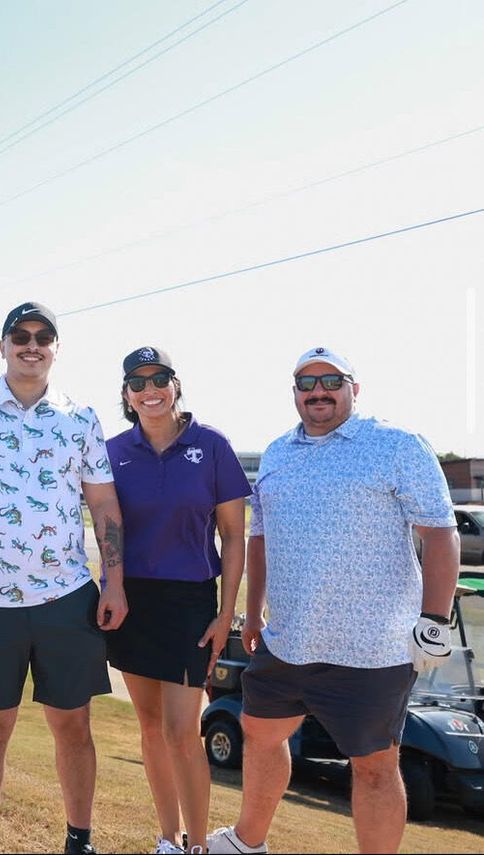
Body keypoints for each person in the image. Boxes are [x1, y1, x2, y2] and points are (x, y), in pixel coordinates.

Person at [207, 346, 459, 855]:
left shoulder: (397, 445)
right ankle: (248, 842)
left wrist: (434, 619)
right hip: (290, 640)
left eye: (331, 381)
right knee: (258, 732)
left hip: (372, 648)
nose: (318, 392)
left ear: (354, 388)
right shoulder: (278, 453)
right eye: (306, 383)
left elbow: (440, 533)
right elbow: (261, 539)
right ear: (295, 393)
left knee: (373, 765)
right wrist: (253, 612)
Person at [0, 301, 127, 855]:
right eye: (21, 335)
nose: (31, 345)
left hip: (67, 598)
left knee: (73, 727)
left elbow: (104, 504)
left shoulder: (80, 418)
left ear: (56, 348)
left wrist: (114, 582)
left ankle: (78, 840)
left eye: (43, 336)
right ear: (3, 345)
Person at [104, 346, 251, 855]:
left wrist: (225, 613)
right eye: (138, 383)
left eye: (159, 379)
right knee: (148, 727)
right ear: (126, 394)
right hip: (131, 601)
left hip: (190, 602)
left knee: (181, 730)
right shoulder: (112, 450)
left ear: (176, 383)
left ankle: (198, 846)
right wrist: (111, 586)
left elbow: (234, 535)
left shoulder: (211, 445)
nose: (150, 390)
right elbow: (108, 530)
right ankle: (167, 839)